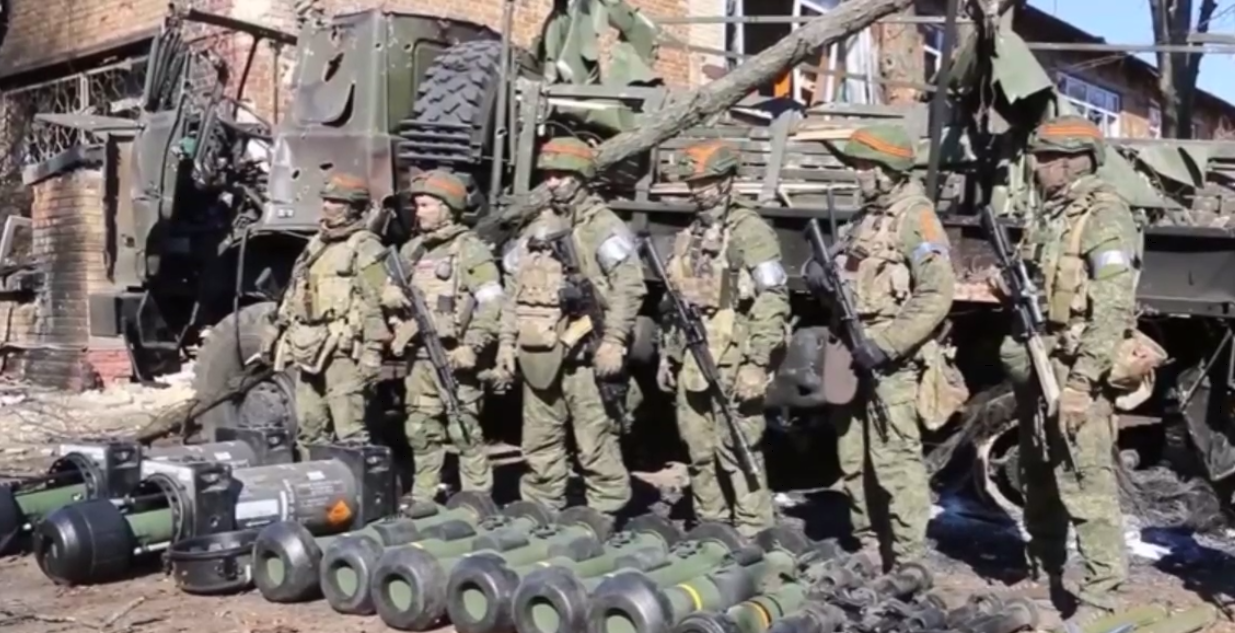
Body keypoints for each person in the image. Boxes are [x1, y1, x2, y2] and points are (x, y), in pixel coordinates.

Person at [998, 114, 1140, 621]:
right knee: (1038, 469)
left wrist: (1081, 382)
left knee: (1086, 480)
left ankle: (1102, 598)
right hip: (1040, 358)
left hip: (1076, 365)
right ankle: (1046, 571)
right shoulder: (1053, 213)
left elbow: (1113, 307)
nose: (1036, 167)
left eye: (1044, 159)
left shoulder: (1104, 216)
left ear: (1072, 162)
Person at [810, 123, 958, 570]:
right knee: (853, 454)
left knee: (894, 458)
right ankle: (870, 543)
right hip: (849, 349)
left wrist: (887, 344)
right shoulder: (864, 217)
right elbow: (845, 272)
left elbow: (936, 292)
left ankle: (907, 559)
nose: (857, 173)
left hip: (889, 359)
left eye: (864, 165)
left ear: (888, 169)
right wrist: (818, 275)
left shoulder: (916, 218)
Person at [492, 137, 643, 516]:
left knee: (595, 442)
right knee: (539, 442)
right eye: (548, 175)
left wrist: (614, 340)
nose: (552, 182)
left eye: (561, 174)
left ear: (581, 177)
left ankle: (605, 514)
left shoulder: (602, 227)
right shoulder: (536, 229)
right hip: (540, 354)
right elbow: (513, 289)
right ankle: (540, 511)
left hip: (583, 358)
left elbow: (628, 287)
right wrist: (506, 343)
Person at [655, 140, 787, 537]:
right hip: (693, 356)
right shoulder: (691, 233)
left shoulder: (751, 231)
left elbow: (773, 297)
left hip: (733, 357)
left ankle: (753, 532)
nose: (697, 190)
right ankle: (710, 528)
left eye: (705, 182)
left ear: (728, 181)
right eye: (693, 183)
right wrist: (667, 355)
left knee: (738, 449)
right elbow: (674, 303)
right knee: (698, 449)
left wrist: (757, 363)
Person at [381, 169, 498, 502]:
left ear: (447, 208)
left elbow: (493, 303)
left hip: (453, 356)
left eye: (426, 205)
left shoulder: (470, 250)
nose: (418, 212)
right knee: (420, 430)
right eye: (417, 205)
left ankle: (477, 499)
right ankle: (424, 495)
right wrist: (390, 297)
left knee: (464, 431)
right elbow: (389, 288)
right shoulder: (413, 250)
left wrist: (472, 345)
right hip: (418, 359)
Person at [261, 173, 391, 453]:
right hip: (307, 345)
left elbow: (376, 303)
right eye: (326, 200)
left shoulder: (365, 246)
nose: (326, 206)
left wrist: (373, 351)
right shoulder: (316, 244)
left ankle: (355, 480)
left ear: (352, 208)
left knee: (350, 432)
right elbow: (295, 290)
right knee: (309, 427)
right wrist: (275, 328)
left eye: (335, 201)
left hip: (342, 349)